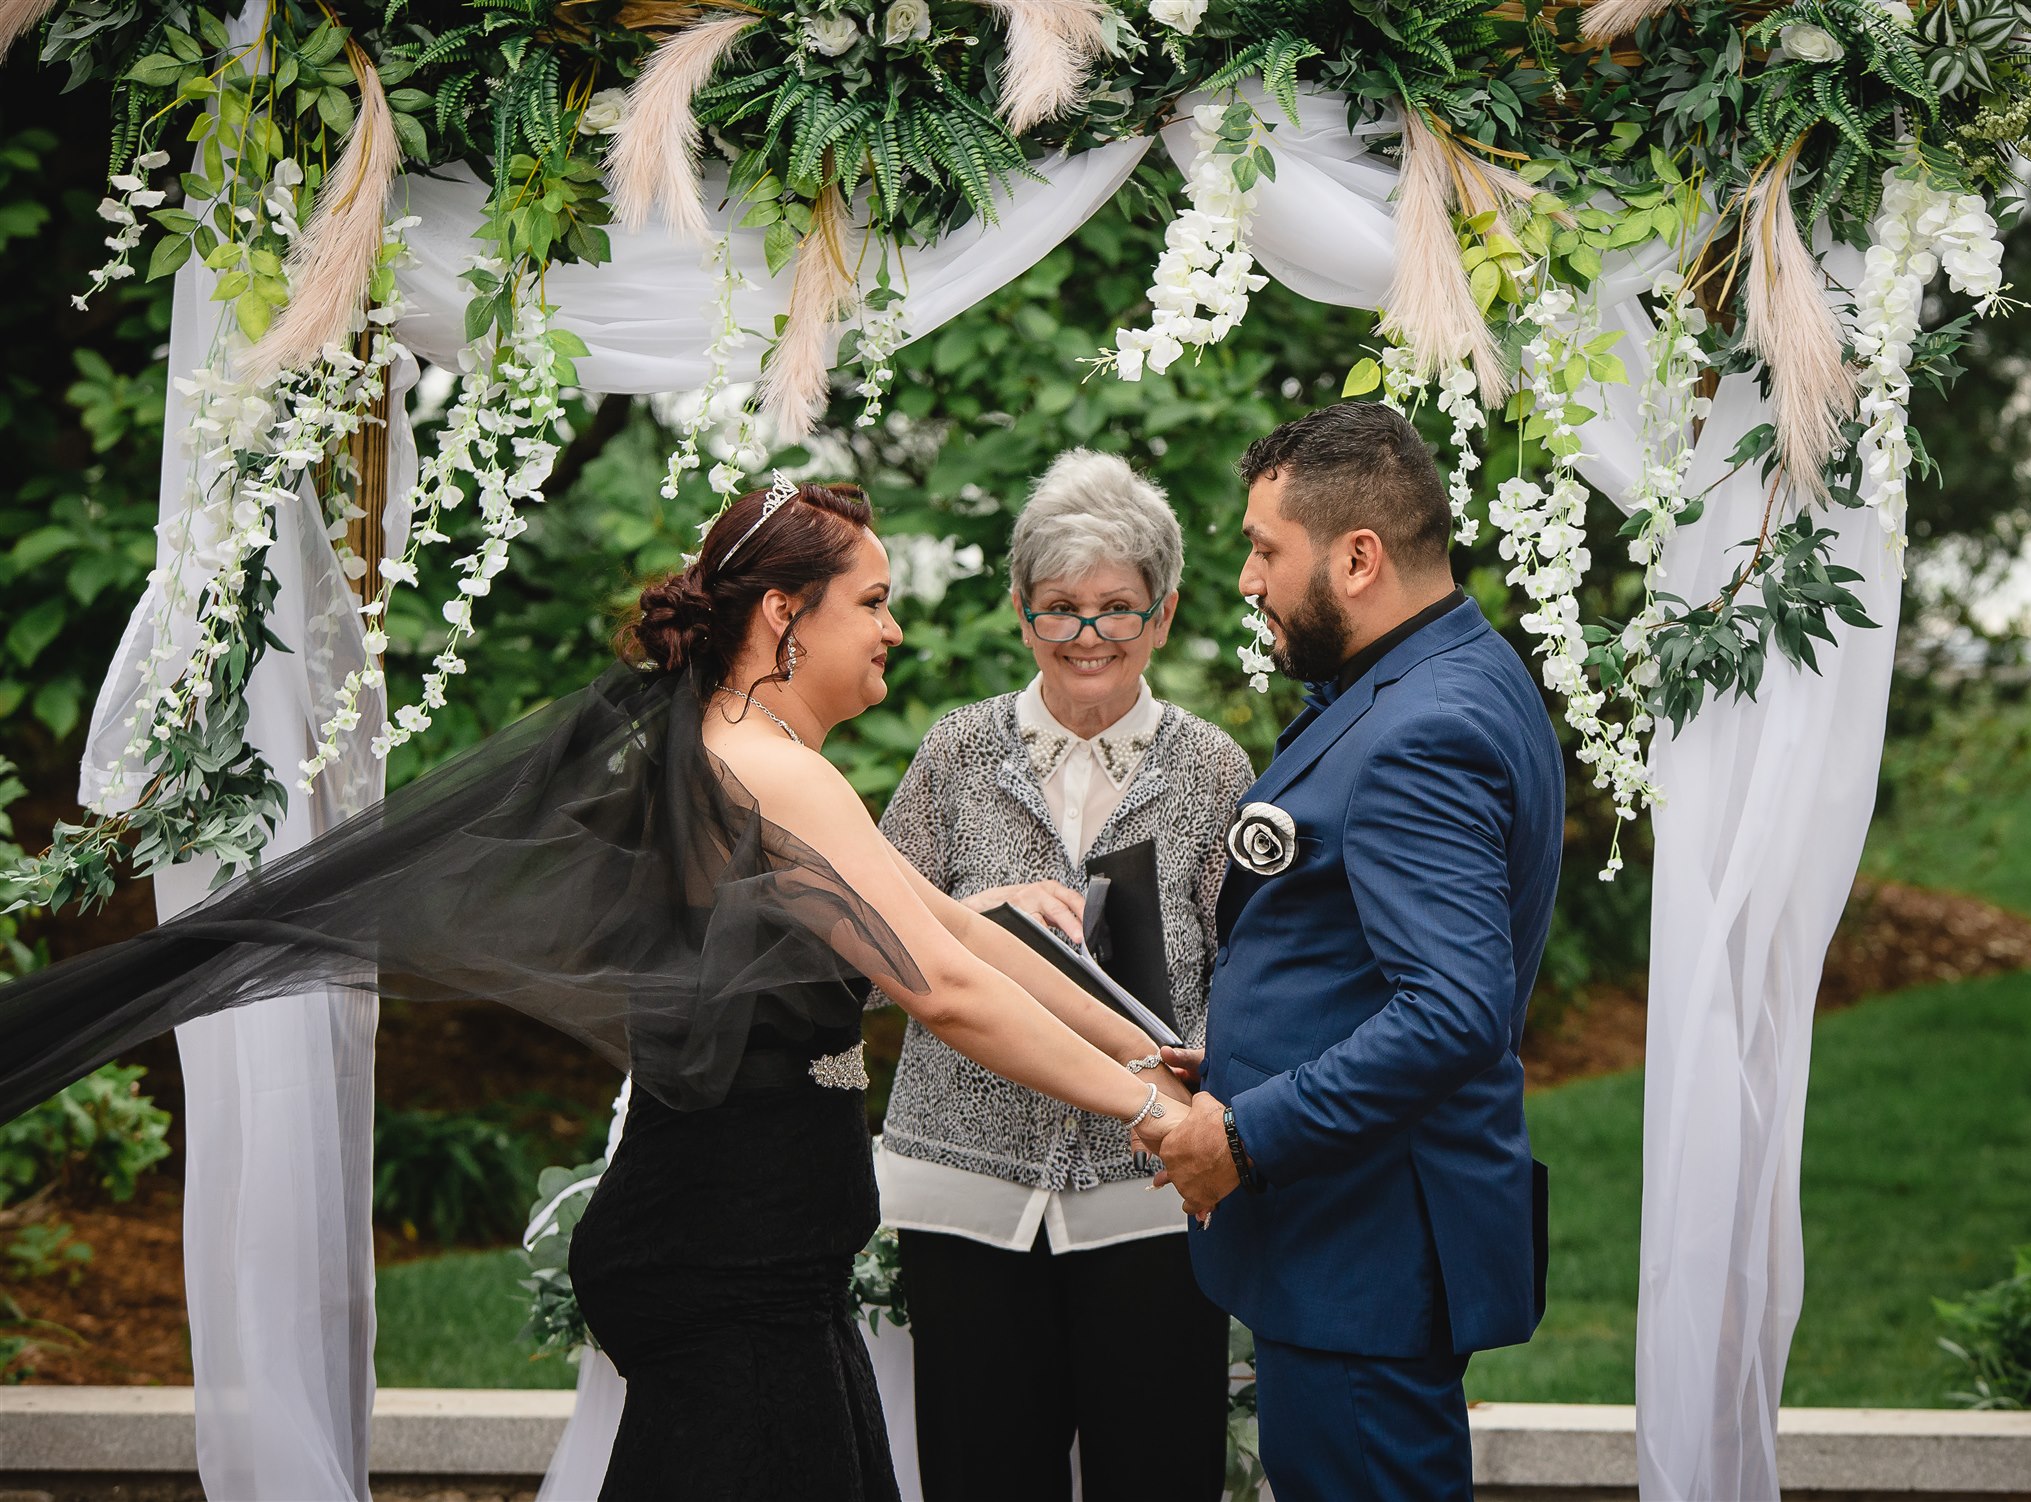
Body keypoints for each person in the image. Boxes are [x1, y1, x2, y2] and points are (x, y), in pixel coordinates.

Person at [0, 480, 1191, 1502]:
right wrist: (1149, 1113)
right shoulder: (767, 767)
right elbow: (945, 989)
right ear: (785, 613)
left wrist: (1151, 1050)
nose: (893, 628)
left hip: (757, 1260)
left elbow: (956, 929)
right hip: (730, 1263)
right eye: (871, 601)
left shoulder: (741, 753)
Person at [1149, 404, 1565, 1501]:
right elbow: (1353, 958)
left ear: (1358, 557)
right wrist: (1234, 1060)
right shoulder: (1447, 670)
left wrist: (1245, 1132)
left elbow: (1453, 1012)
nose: (1248, 579)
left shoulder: (1423, 730)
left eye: (1265, 549)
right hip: (1353, 1241)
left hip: (1362, 1251)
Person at [873, 451, 1251, 1501]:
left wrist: (1208, 1075)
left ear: (1162, 614)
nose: (1088, 635)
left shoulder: (1213, 768)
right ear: (1020, 610)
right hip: (966, 1187)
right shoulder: (954, 754)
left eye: (1117, 608)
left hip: (1148, 1190)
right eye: (1060, 607)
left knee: (1158, 1474)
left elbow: (1249, 965)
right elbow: (863, 955)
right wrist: (976, 914)